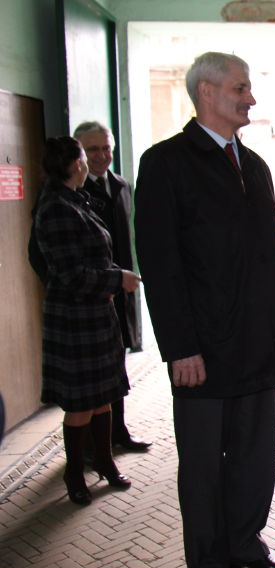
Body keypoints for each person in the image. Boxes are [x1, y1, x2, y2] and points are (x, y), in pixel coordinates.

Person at [134, 52, 275, 568]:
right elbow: (160, 263)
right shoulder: (167, 163)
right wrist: (180, 347)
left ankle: (245, 545)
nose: (250, 98)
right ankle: (208, 567)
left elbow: (271, 255)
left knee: (255, 455)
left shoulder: (255, 166)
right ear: (206, 91)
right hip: (202, 351)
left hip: (256, 341)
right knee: (204, 465)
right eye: (240, 88)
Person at [31, 136, 138, 506]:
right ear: (76, 164)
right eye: (85, 157)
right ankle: (75, 473)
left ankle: (105, 462)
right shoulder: (55, 208)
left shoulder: (75, 199)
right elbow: (69, 274)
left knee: (103, 395)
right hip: (75, 320)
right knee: (79, 405)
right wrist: (116, 279)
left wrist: (113, 279)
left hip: (96, 315)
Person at [73, 120, 151, 452]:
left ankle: (117, 432)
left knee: (116, 366)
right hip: (89, 297)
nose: (102, 155)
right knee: (91, 376)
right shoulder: (71, 193)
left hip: (119, 291)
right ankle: (93, 444)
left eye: (106, 148)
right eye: (93, 149)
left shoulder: (121, 186)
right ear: (79, 154)